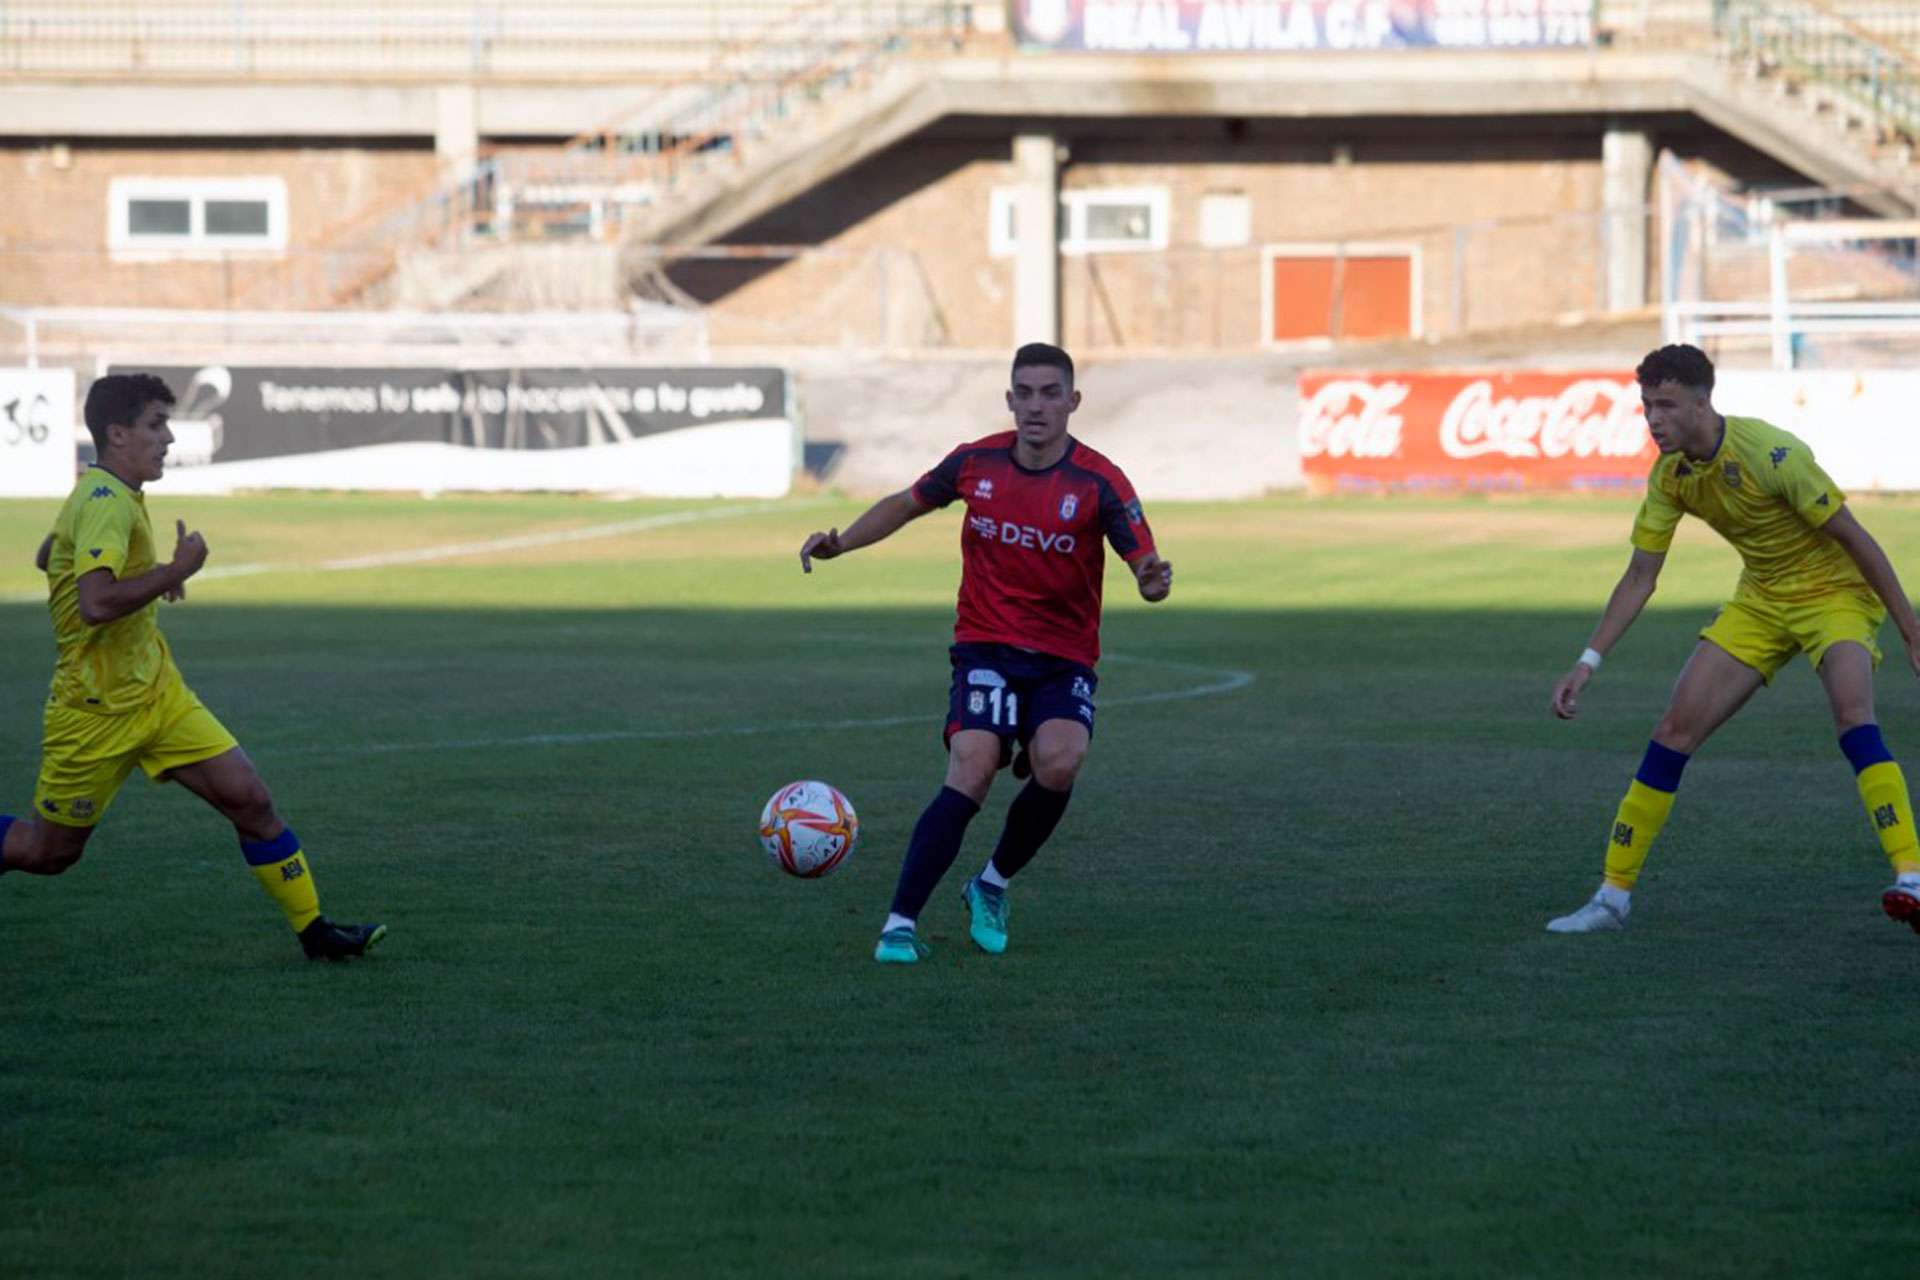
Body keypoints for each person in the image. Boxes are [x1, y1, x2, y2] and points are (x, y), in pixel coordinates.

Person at [799, 343, 1173, 963]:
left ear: (1073, 402)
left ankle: (990, 884)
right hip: (986, 647)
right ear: (1009, 399)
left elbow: (1144, 565)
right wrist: (843, 543)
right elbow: (905, 503)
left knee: (1059, 762)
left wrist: (1152, 583)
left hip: (1062, 658)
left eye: (1051, 393)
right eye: (1024, 393)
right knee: (972, 767)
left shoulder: (1100, 482)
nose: (1036, 406)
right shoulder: (975, 462)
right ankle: (899, 924)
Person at [0, 373, 385, 961]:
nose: (170, 438)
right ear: (117, 433)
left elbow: (48, 554)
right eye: (156, 425)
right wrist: (174, 571)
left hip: (158, 694)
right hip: (94, 711)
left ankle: (317, 933)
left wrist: (146, 577)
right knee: (49, 854)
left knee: (251, 800)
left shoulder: (102, 493)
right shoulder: (103, 500)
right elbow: (96, 604)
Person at [1547, 343, 1920, 933]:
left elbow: (1856, 537)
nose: (1653, 419)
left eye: (1666, 405)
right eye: (1646, 406)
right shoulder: (1670, 476)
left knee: (1854, 718)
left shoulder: (1773, 454)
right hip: (1762, 600)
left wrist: (1909, 628)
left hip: (1834, 596)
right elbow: (1642, 574)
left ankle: (1912, 878)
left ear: (1702, 403)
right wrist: (1587, 661)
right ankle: (1611, 899)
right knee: (1672, 732)